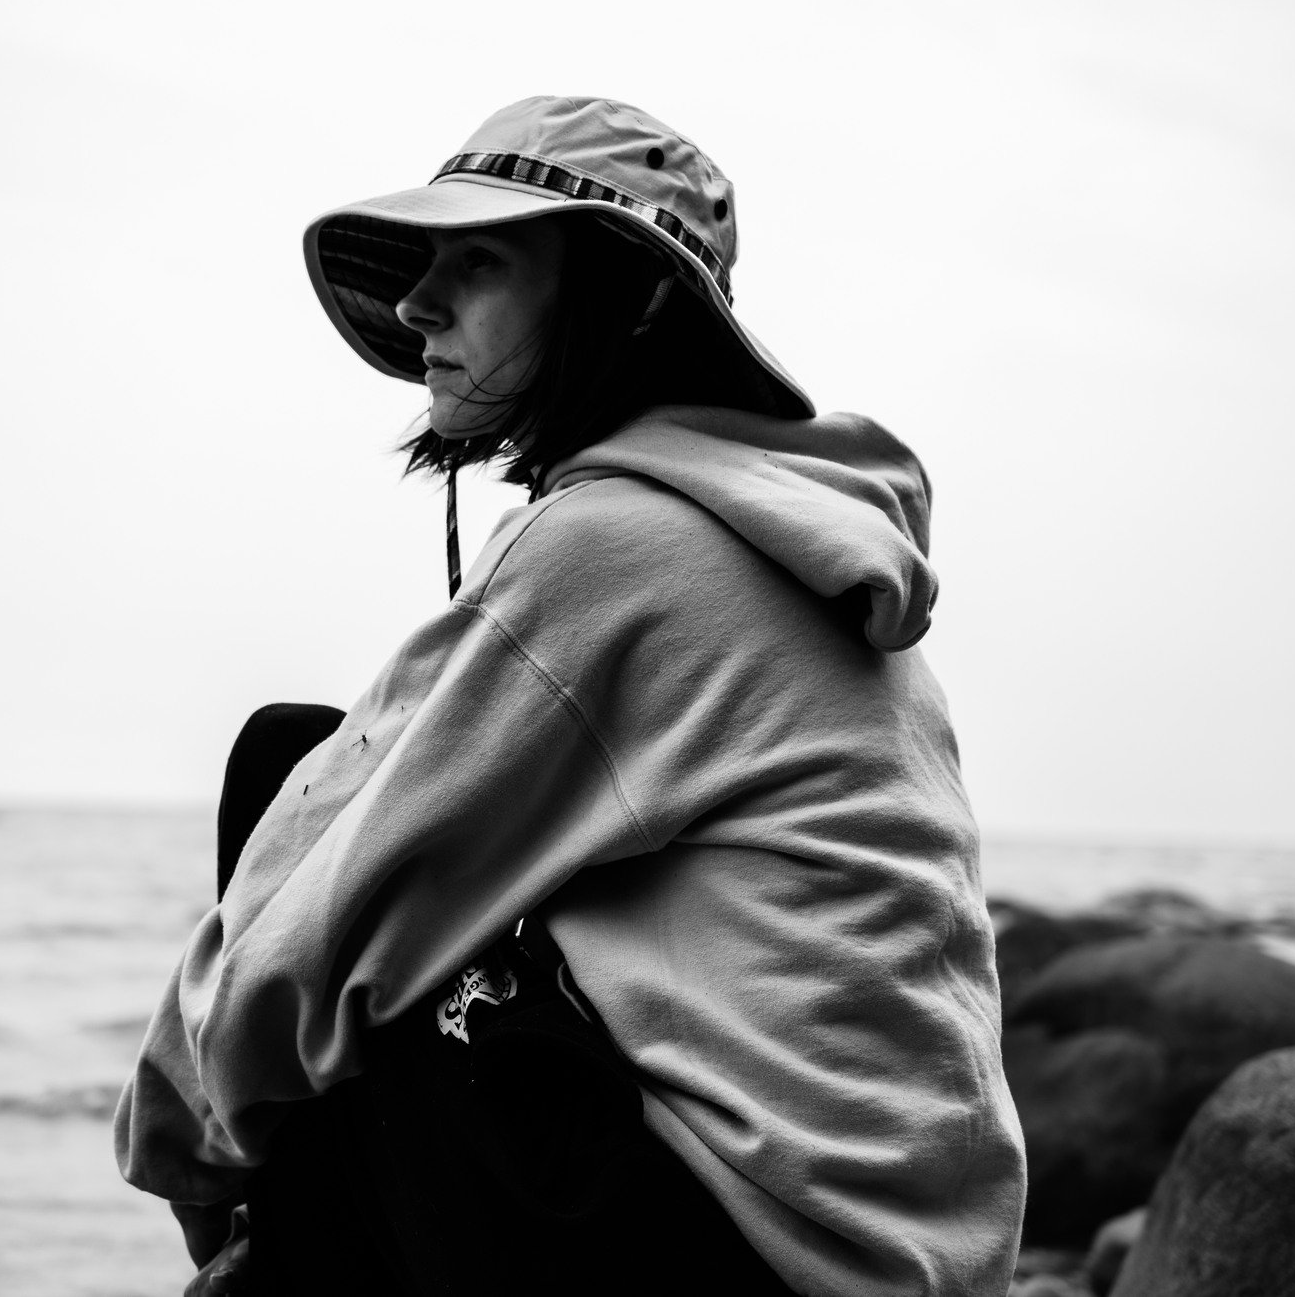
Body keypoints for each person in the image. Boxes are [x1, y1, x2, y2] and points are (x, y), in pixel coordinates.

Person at [115, 96, 1025, 1296]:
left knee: (316, 818)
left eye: (477, 262)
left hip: (756, 1264)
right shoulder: (800, 543)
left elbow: (338, 894)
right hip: (889, 1255)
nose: (414, 306)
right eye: (421, 268)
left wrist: (189, 1154)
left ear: (633, 297)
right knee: (335, 796)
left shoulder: (615, 545)